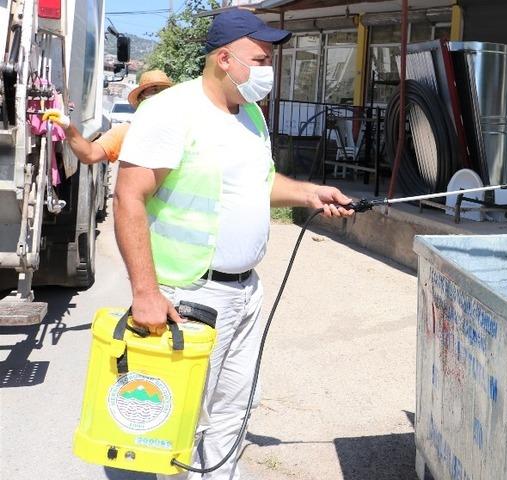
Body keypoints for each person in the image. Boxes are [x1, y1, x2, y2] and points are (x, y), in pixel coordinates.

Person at [113, 9, 353, 479]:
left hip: (246, 292)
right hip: (192, 294)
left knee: (234, 407)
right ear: (224, 58)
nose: (268, 70)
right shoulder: (170, 112)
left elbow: (259, 183)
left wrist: (308, 193)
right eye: (259, 60)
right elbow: (128, 198)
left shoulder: (251, 116)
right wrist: (145, 291)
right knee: (184, 413)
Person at [42, 69, 173, 164]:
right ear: (141, 101)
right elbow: (90, 154)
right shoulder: (127, 132)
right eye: (154, 92)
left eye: (163, 93)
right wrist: (68, 126)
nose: (159, 99)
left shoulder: (185, 130)